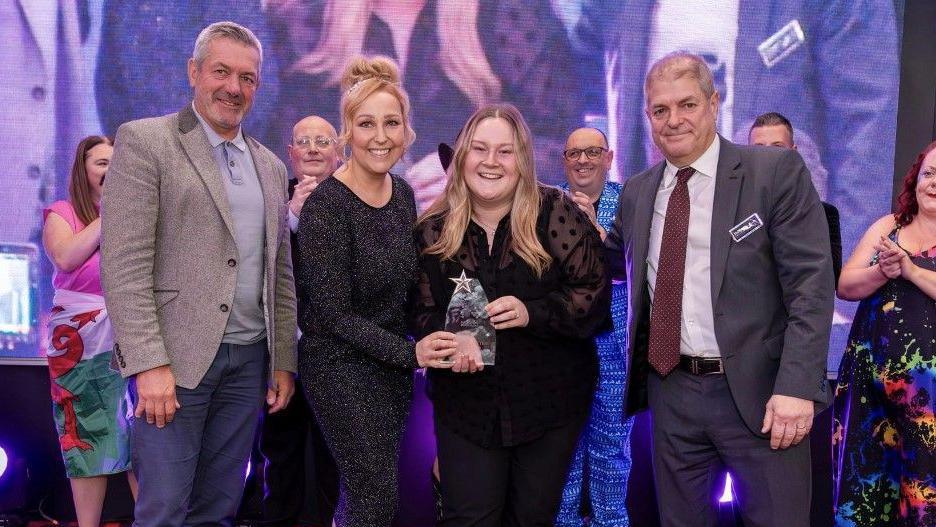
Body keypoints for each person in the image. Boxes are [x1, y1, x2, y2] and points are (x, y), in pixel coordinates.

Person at [604, 52, 833, 526]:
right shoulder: (638, 191)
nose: (673, 120)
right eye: (660, 110)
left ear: (713, 103)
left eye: (686, 104)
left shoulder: (773, 174)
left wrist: (796, 386)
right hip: (673, 395)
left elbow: (810, 287)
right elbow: (604, 264)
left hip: (765, 396)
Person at [100, 21, 297, 526]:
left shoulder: (271, 167)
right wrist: (147, 364)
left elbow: (280, 276)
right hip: (174, 364)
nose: (234, 87)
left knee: (219, 508)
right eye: (221, 72)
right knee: (163, 507)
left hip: (248, 365)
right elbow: (124, 265)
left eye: (247, 78)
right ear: (194, 72)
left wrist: (282, 361)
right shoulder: (146, 142)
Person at [412, 104, 610, 525]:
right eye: (480, 149)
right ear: (463, 155)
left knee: (531, 519)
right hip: (467, 409)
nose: (490, 162)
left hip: (549, 406)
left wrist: (532, 312)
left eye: (505, 151)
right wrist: (449, 339)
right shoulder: (433, 229)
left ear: (522, 159)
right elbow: (421, 310)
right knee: (470, 518)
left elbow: (593, 297)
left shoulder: (555, 213)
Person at [295, 56, 454, 527]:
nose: (381, 136)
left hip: (389, 369)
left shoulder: (403, 194)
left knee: (366, 494)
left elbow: (407, 293)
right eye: (367, 124)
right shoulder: (326, 207)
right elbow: (332, 316)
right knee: (374, 496)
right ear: (347, 132)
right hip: (338, 367)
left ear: (407, 131)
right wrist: (412, 354)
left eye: (392, 122)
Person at [268, 0, 583, 206]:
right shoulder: (303, 20)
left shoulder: (508, 14)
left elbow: (563, 144)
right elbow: (279, 159)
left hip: (474, 259)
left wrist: (475, 171)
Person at [832, 141, 936, 526]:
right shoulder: (888, 226)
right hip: (868, 386)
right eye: (929, 173)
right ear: (916, 179)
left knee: (922, 491)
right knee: (864, 482)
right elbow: (845, 285)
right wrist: (883, 271)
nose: (934, 183)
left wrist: (910, 270)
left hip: (928, 400)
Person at [42, 135, 137, 527]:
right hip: (78, 348)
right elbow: (65, 257)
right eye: (101, 163)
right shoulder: (62, 212)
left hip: (133, 338)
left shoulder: (140, 213)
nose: (110, 170)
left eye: (118, 162)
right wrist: (108, 214)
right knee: (87, 437)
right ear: (84, 170)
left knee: (143, 436)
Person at [257, 115, 340, 527]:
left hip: (340, 359)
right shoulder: (271, 201)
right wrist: (291, 216)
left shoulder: (354, 202)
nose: (312, 149)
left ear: (338, 153)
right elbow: (260, 268)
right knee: (281, 458)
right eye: (303, 141)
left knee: (336, 465)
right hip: (283, 354)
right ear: (290, 154)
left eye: (322, 141)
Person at [555, 127, 634, 527]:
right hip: (560, 353)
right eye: (574, 154)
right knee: (561, 451)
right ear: (564, 160)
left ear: (609, 156)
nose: (583, 160)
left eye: (592, 152)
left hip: (614, 348)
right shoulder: (549, 203)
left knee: (611, 452)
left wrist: (597, 238)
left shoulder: (630, 202)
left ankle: (610, 522)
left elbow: (637, 270)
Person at [748, 112, 842, 285]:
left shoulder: (824, 215)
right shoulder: (731, 210)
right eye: (759, 147)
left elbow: (828, 280)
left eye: (777, 147)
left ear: (794, 152)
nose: (768, 155)